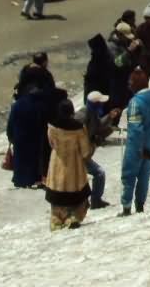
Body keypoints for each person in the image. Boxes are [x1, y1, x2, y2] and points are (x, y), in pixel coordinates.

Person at [118, 70, 150, 215]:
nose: (129, 85)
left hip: (136, 146)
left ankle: (126, 207)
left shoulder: (135, 103)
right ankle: (140, 205)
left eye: (130, 83)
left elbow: (135, 129)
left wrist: (139, 147)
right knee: (144, 176)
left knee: (129, 175)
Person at [43, 98, 93, 231]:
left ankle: (57, 220)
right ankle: (73, 217)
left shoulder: (52, 127)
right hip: (74, 166)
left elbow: (51, 143)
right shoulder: (78, 127)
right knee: (77, 193)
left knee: (57, 194)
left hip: (57, 164)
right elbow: (85, 151)